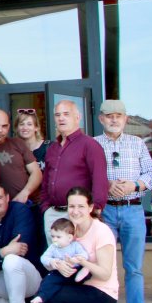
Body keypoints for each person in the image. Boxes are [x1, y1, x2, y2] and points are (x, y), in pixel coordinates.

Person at [35, 188, 129, 303]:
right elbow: (53, 256)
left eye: (81, 206)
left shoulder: (101, 231)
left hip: (101, 294)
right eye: (71, 206)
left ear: (90, 207)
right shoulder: (68, 229)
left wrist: (84, 262)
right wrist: (58, 264)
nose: (75, 211)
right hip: (76, 289)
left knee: (45, 297)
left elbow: (105, 274)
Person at [93, 99, 152, 303]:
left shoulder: (137, 143)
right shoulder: (93, 144)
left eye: (118, 116)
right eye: (109, 116)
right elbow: (86, 174)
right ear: (101, 119)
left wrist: (134, 185)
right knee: (105, 265)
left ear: (125, 119)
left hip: (133, 208)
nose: (114, 120)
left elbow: (151, 173)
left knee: (134, 266)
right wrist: (106, 184)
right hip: (105, 210)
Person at [40, 100, 108, 236]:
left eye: (66, 114)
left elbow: (100, 180)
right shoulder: (52, 148)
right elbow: (46, 180)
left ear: (78, 117)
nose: (61, 118)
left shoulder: (90, 145)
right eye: (57, 115)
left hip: (79, 214)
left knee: (79, 250)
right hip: (53, 214)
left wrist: (95, 210)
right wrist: (45, 207)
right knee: (55, 251)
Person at [0, 109, 41, 204]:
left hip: (33, 201)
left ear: (8, 127)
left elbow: (36, 172)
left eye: (4, 126)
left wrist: (25, 193)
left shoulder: (17, 143)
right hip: (5, 205)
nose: (0, 130)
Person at [31, 218, 91, 303]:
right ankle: (42, 296)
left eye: (58, 237)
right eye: (53, 236)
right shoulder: (53, 247)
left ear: (69, 237)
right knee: (49, 279)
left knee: (85, 269)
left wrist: (76, 259)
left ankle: (83, 274)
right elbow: (43, 258)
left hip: (75, 269)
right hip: (60, 272)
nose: (54, 239)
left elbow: (85, 255)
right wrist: (51, 261)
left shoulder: (75, 245)